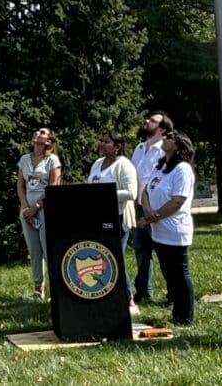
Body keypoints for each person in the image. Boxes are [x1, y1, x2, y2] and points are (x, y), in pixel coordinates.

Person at [139, 130, 196, 326]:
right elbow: (146, 191)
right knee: (169, 273)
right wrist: (147, 211)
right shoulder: (160, 166)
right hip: (158, 230)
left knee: (180, 273)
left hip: (175, 229)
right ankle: (176, 310)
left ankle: (185, 316)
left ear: (179, 145)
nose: (165, 138)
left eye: (170, 137)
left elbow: (178, 200)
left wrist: (154, 216)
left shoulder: (182, 169)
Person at [88, 131, 139, 315]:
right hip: (98, 218)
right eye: (101, 140)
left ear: (117, 146)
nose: (102, 144)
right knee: (102, 257)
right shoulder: (97, 164)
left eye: (107, 141)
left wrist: (105, 193)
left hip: (118, 218)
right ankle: (107, 296)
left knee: (115, 257)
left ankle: (129, 299)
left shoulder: (124, 165)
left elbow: (132, 193)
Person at [130, 111, 172, 305]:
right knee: (141, 249)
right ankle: (143, 292)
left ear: (162, 129)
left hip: (156, 208)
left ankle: (173, 295)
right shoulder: (139, 148)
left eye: (153, 121)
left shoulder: (164, 149)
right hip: (138, 205)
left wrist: (151, 209)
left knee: (164, 251)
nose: (146, 121)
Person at [15, 127, 61, 300]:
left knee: (48, 249)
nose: (37, 133)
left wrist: (36, 207)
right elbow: (20, 185)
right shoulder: (24, 159)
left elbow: (53, 187)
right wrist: (26, 207)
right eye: (36, 131)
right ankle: (37, 289)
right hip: (27, 209)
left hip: (45, 208)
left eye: (42, 132)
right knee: (34, 250)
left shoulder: (52, 160)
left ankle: (55, 289)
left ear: (48, 141)